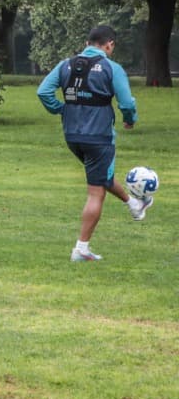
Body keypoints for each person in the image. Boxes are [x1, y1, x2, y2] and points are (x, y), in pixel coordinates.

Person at [37, 25, 147, 262]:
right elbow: (127, 102)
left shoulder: (66, 64)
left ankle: (134, 204)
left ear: (88, 42)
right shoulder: (111, 67)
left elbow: (43, 92)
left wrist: (61, 109)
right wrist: (130, 120)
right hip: (99, 136)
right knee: (96, 192)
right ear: (109, 44)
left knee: (101, 176)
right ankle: (81, 249)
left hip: (72, 136)